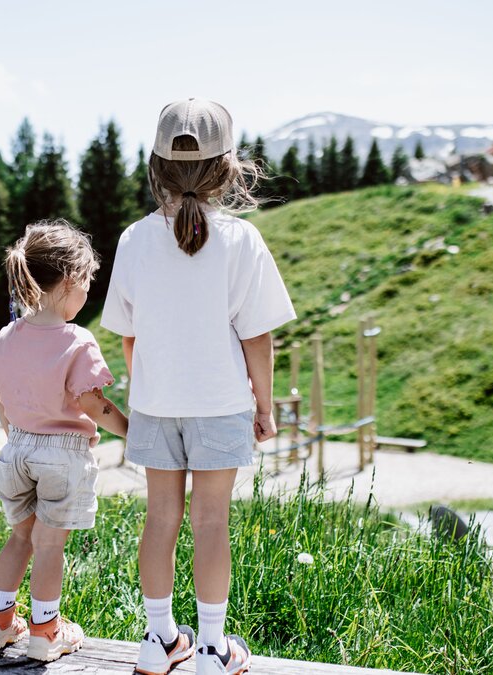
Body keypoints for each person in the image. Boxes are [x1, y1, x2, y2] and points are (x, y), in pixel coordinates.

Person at [101, 99, 295, 675]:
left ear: (156, 167)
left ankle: (158, 640)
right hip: (220, 404)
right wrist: (264, 407)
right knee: (212, 522)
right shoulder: (242, 239)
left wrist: (148, 389)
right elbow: (257, 337)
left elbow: (129, 336)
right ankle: (212, 648)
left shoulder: (134, 239)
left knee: (159, 518)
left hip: (155, 405)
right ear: (228, 168)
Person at [0, 220, 129, 662]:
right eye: (86, 286)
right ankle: (46, 631)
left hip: (16, 450)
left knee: (20, 537)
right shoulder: (77, 341)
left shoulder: (8, 335)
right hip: (61, 455)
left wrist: (18, 437)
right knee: (49, 545)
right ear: (69, 282)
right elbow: (93, 404)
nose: (86, 297)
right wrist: (133, 431)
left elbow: (2, 398)